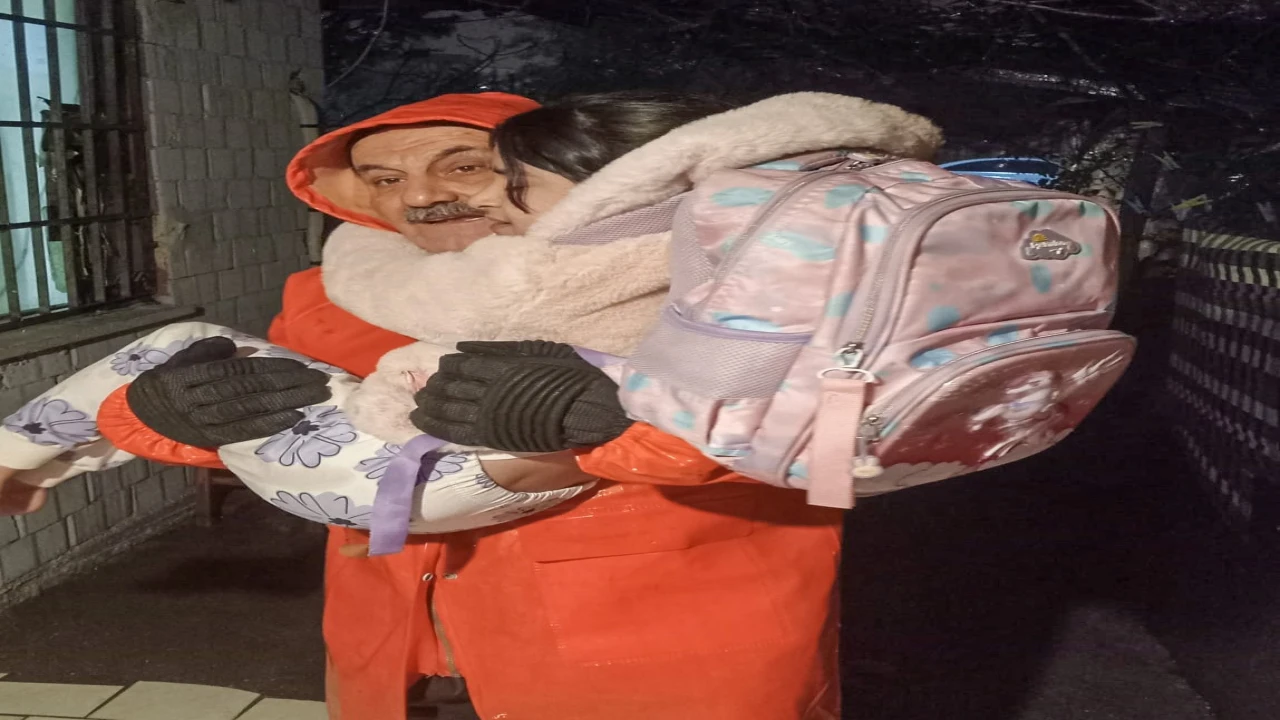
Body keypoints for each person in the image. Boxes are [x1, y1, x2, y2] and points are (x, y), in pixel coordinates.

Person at [6, 89, 945, 718]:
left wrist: (619, 418)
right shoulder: (332, 292)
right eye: (383, 179)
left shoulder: (723, 270)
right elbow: (301, 439)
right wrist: (164, 415)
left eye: (461, 166)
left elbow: (857, 434)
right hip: (395, 650)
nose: (419, 197)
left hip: (649, 655)